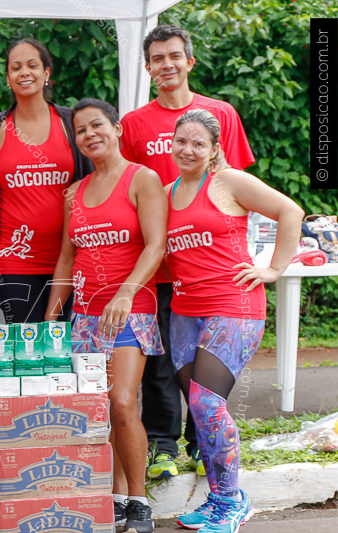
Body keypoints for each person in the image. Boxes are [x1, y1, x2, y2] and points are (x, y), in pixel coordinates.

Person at [120, 24, 256, 480]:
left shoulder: (221, 113)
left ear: (189, 61)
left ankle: (204, 447)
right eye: (157, 58)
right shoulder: (135, 123)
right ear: (148, 67)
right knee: (162, 362)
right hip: (161, 263)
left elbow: (238, 188)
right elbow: (129, 186)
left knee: (207, 374)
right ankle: (162, 445)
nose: (167, 65)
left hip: (212, 269)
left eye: (174, 56)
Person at [167, 109, 301, 533]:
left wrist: (275, 268)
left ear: (214, 150)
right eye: (181, 140)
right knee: (200, 408)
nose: (188, 149)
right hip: (185, 312)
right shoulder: (167, 192)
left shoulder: (228, 182)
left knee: (208, 406)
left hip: (233, 305)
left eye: (198, 143)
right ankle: (219, 496)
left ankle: (231, 501)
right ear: (171, 143)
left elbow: (290, 211)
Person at [45, 99, 167, 533]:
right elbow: (65, 257)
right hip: (85, 315)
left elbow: (156, 245)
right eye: (80, 130)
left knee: (122, 401)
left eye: (97, 125)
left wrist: (127, 291)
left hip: (130, 308)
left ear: (115, 128)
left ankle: (140, 500)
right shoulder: (74, 193)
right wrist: (52, 314)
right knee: (100, 407)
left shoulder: (142, 179)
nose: (89, 134)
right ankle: (116, 498)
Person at [0, 38, 92, 324]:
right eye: (16, 67)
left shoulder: (71, 121)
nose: (24, 72)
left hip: (70, 257)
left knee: (63, 347)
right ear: (8, 79)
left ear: (47, 73)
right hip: (15, 259)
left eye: (32, 65)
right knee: (28, 349)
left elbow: (94, 181)